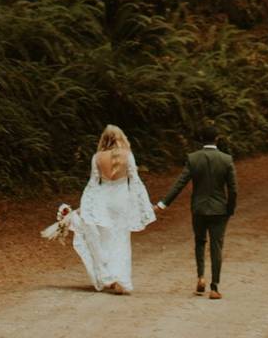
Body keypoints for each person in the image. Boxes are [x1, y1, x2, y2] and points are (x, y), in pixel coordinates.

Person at [69, 125, 156, 294]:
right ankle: (120, 279)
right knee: (121, 239)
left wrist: (85, 207)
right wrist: (144, 205)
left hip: (103, 200)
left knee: (105, 239)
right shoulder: (128, 156)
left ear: (103, 139)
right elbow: (135, 180)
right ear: (121, 138)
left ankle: (109, 275)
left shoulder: (97, 157)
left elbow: (93, 184)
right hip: (122, 200)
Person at [154, 125, 237, 299]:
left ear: (201, 139)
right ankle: (214, 287)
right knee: (216, 246)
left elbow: (180, 183)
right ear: (217, 139)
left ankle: (201, 276)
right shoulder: (226, 159)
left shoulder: (193, 159)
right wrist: (229, 209)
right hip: (219, 210)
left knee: (200, 242)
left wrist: (163, 203)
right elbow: (233, 189)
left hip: (199, 208)